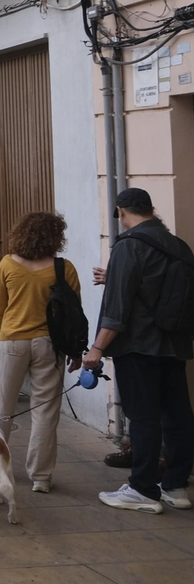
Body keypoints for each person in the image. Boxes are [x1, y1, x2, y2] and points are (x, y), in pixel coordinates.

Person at [86, 188, 194, 514]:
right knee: (177, 417)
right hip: (174, 344)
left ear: (121, 211)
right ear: (151, 209)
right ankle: (176, 486)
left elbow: (117, 309)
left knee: (144, 419)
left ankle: (142, 489)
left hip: (138, 346)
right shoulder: (178, 246)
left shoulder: (128, 245)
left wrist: (96, 349)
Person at [0, 211, 81, 494]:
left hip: (12, 340)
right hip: (49, 344)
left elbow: (0, 307)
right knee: (45, 411)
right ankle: (41, 476)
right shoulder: (63, 268)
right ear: (56, 237)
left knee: (2, 408)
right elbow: (74, 314)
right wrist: (76, 349)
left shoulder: (7, 264)